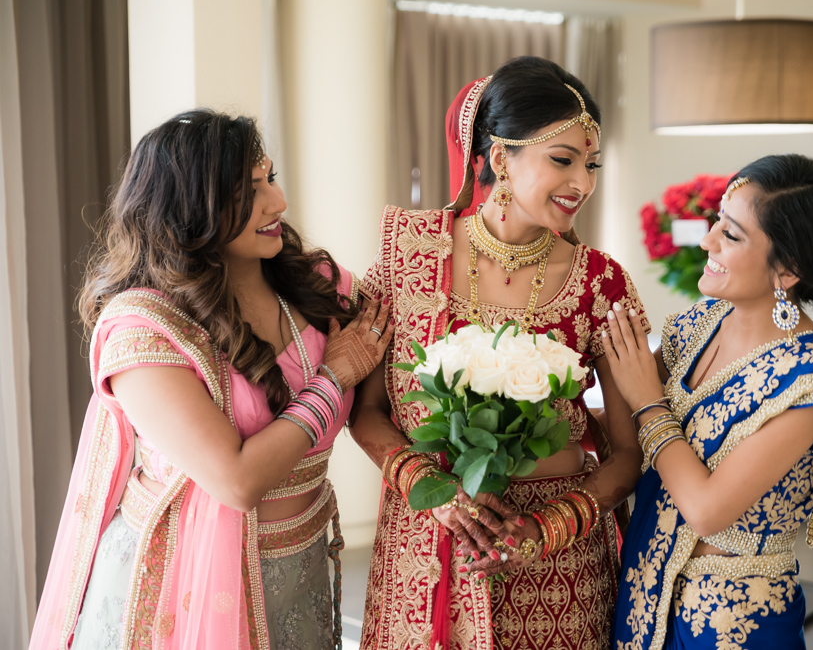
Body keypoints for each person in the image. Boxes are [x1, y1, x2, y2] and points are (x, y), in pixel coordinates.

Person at [29, 110, 394, 650]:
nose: (277, 202)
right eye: (248, 192)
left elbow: (386, 394)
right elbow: (237, 481)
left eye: (270, 178)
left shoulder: (319, 287)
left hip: (302, 569)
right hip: (179, 588)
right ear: (189, 207)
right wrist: (335, 375)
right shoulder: (143, 331)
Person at [351, 56, 649, 650]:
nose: (582, 184)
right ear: (498, 157)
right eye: (561, 160)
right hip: (429, 542)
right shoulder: (410, 257)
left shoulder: (603, 283)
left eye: (590, 164)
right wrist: (427, 489)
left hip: (558, 566)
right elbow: (367, 412)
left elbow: (627, 453)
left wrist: (546, 530)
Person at [604, 155, 813, 650]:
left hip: (732, 621)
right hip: (646, 588)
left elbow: (707, 510)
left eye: (731, 235)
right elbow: (622, 423)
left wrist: (646, 400)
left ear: (789, 269)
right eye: (717, 223)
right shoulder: (701, 322)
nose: (706, 241)